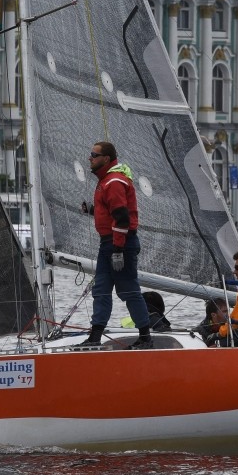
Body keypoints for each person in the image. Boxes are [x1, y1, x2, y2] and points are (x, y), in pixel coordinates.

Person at [78, 141, 153, 349]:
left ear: (106, 159)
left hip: (120, 244)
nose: (89, 157)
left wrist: (118, 250)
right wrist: (93, 210)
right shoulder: (106, 181)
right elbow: (111, 212)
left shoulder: (114, 182)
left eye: (94, 154)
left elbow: (122, 219)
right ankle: (95, 337)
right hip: (108, 244)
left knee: (128, 290)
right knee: (101, 290)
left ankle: (146, 337)